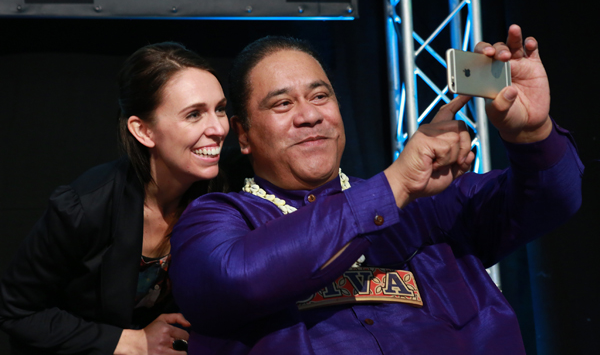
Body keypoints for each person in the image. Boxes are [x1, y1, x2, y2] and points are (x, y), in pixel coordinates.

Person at [169, 25, 583, 354]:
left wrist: (533, 134)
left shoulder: (426, 206)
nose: (310, 115)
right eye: (282, 104)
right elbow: (236, 278)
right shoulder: (215, 219)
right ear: (243, 134)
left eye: (320, 96)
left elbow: (552, 199)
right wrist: (395, 183)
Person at [0, 42, 230, 354]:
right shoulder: (86, 206)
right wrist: (132, 341)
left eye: (220, 109)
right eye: (194, 114)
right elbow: (16, 313)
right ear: (144, 130)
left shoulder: (222, 191)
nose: (218, 128)